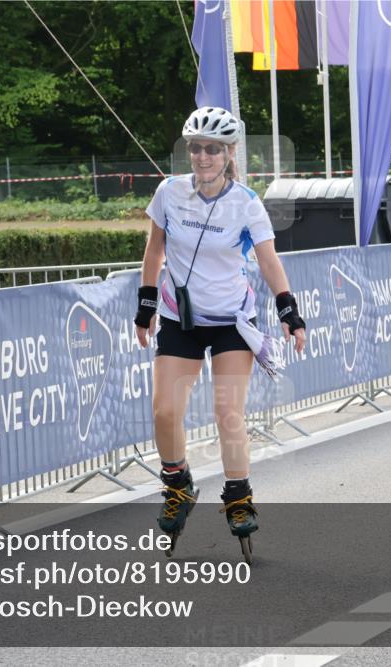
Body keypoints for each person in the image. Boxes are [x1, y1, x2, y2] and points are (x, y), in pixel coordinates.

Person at [134, 106, 306, 559]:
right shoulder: (169, 192)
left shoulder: (246, 203)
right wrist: (146, 305)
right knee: (164, 411)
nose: (203, 156)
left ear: (230, 153)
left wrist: (288, 309)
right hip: (181, 319)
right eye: (196, 148)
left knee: (228, 411)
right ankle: (178, 484)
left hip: (231, 321)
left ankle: (238, 496)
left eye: (213, 149)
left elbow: (268, 260)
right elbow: (154, 250)